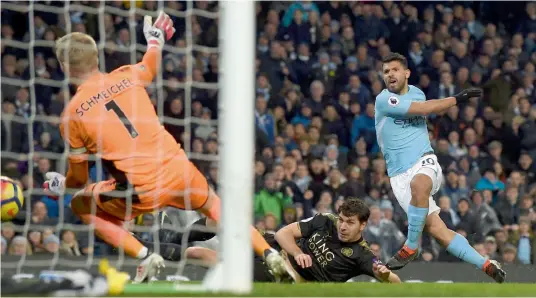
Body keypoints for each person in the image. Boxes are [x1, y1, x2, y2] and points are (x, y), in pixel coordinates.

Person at [43, 11, 290, 283]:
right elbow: (150, 64)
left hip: (140, 189)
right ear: (97, 58)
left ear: (64, 67)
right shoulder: (127, 75)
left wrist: (60, 184)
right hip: (179, 169)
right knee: (217, 207)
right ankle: (268, 252)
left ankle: (145, 255)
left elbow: (79, 178)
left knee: (81, 204)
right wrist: (155, 40)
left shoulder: (72, 115)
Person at [374, 53, 505, 283]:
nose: (390, 75)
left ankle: (411, 246)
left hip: (424, 161)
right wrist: (459, 97)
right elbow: (425, 109)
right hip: (397, 176)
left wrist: (456, 98)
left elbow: (425, 108)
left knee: (420, 183)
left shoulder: (417, 94)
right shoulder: (383, 100)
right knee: (439, 231)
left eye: (395, 70)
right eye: (386, 72)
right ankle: (486, 264)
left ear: (406, 73)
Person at [182, 199, 401, 283]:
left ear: (362, 225)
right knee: (223, 220)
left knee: (197, 254)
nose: (342, 226)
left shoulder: (363, 255)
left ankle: (159, 253)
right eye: (341, 220)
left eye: (349, 222)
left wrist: (384, 276)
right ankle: (169, 240)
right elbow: (282, 234)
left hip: (284, 273)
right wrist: (298, 252)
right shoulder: (326, 221)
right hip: (272, 246)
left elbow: (394, 281)